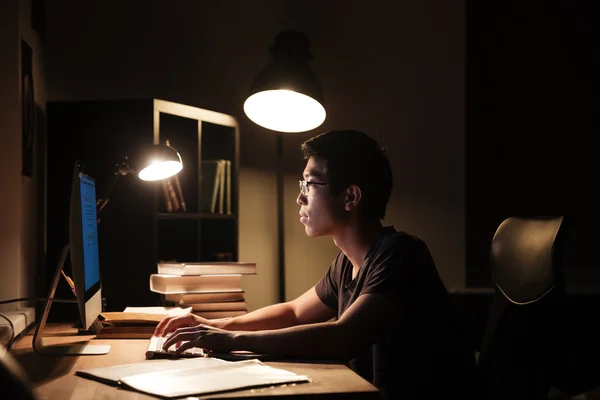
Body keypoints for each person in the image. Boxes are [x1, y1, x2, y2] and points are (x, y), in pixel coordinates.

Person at [155, 130, 478, 399]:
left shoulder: (400, 254)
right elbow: (294, 312)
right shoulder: (347, 263)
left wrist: (233, 341)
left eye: (309, 184)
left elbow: (343, 337)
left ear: (351, 197)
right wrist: (213, 325)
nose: (300, 198)